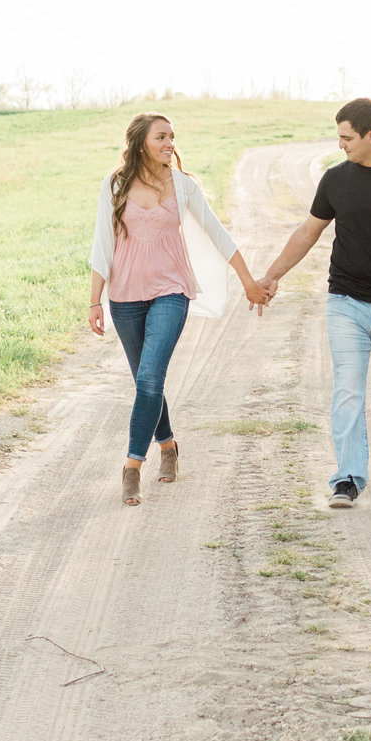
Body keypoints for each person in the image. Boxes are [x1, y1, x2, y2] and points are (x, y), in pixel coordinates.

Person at [260, 98, 371, 508]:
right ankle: (347, 477)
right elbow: (308, 232)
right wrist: (271, 276)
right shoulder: (335, 180)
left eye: (347, 137)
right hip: (346, 303)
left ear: (370, 136)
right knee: (347, 389)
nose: (340, 144)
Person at [88, 113, 272, 506]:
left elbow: (217, 232)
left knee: (152, 374)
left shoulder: (183, 185)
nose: (170, 143)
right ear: (142, 144)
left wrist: (249, 282)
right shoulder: (115, 184)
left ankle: (132, 467)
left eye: (172, 136)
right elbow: (102, 244)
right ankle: (168, 444)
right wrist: (94, 301)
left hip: (172, 290)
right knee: (146, 382)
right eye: (161, 137)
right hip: (124, 297)